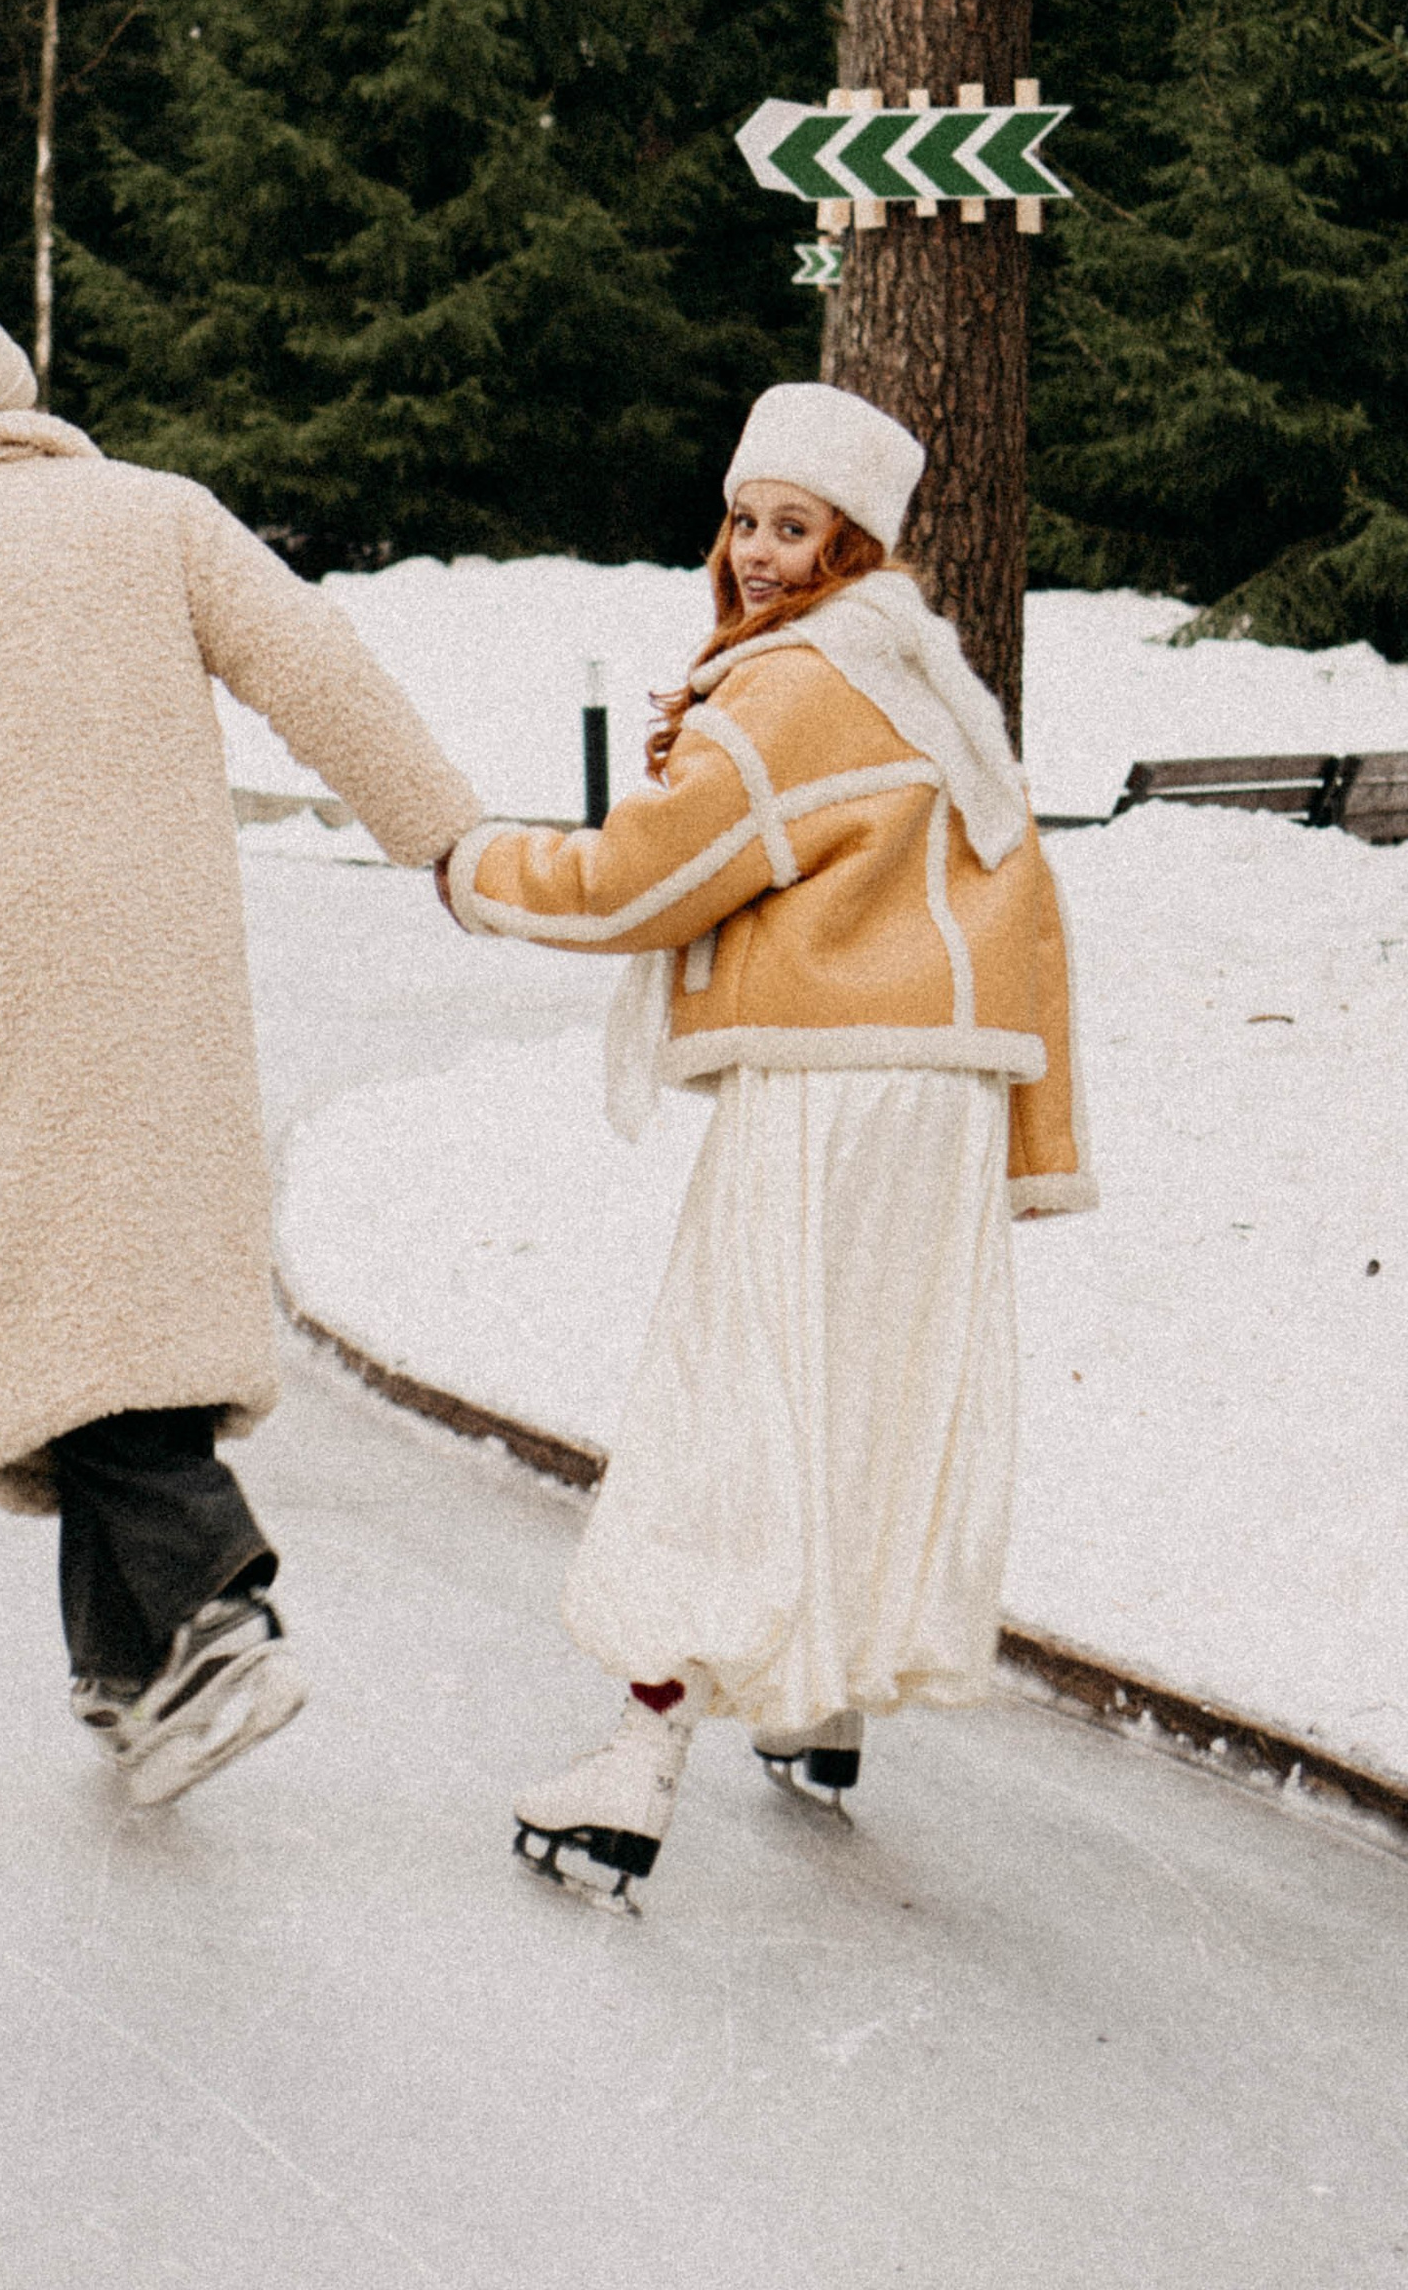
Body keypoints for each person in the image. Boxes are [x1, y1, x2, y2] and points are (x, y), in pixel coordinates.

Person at [0, 296, 481, 1807]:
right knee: (135, 1268)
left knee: (56, 1288)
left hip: (13, 968)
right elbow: (315, 667)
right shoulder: (159, 516)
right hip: (176, 947)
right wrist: (443, 831)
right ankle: (126, 1668)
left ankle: (219, 1604)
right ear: (21, 395)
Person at [437, 379, 1094, 1901]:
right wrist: (1038, 1130)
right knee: (856, 1384)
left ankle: (634, 1761)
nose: (756, 554)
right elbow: (1029, 915)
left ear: (853, 545)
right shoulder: (926, 678)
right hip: (935, 1102)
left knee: (731, 1392)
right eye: (743, 520)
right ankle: (818, 1701)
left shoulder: (797, 690)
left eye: (794, 527)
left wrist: (476, 869)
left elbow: (636, 884)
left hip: (835, 1093)